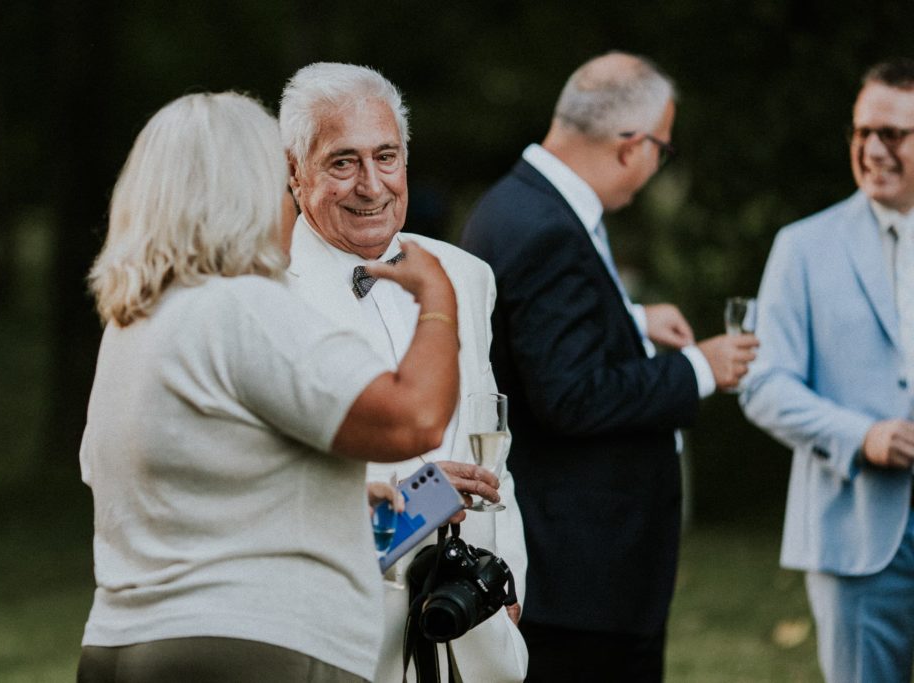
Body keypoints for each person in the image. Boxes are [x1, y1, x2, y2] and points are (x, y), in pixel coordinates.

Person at [76, 90, 473, 683]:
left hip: (123, 641)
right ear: (251, 193)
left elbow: (176, 471)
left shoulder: (135, 324)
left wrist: (319, 497)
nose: (289, 204)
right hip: (253, 646)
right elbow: (413, 420)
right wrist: (438, 299)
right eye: (284, 185)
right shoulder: (246, 306)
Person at [459, 51, 760, 681]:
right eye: (663, 150)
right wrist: (699, 369)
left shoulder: (519, 205)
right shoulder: (548, 229)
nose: (657, 165)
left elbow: (537, 339)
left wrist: (629, 317)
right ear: (632, 145)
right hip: (580, 580)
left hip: (574, 571)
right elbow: (572, 395)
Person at [279, 62, 529, 683]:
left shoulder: (464, 275)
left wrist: (508, 580)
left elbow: (491, 438)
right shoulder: (263, 296)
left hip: (471, 632)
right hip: (343, 641)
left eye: (386, 157)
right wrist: (418, 499)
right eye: (343, 163)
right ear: (295, 172)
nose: (371, 185)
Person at [740, 58, 914, 683]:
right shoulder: (803, 246)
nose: (872, 149)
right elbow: (763, 383)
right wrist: (860, 436)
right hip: (856, 532)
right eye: (862, 132)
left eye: (892, 134)